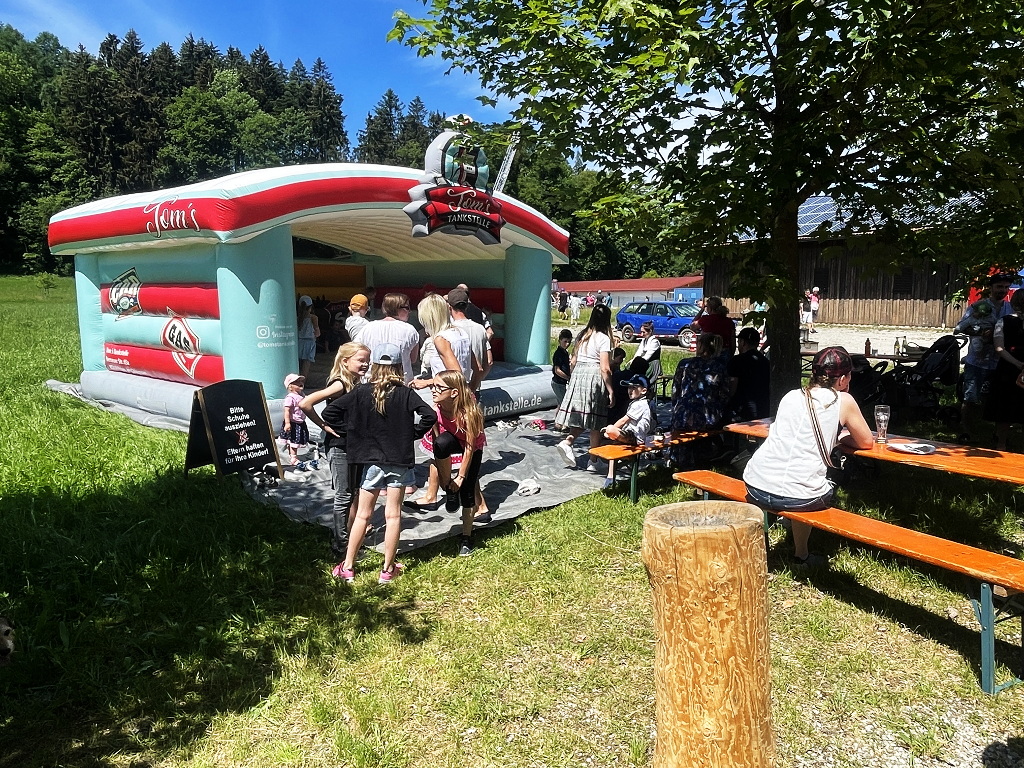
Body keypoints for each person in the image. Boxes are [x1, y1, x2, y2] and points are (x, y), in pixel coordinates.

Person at [742, 346, 874, 566]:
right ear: (842, 379)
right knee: (818, 482)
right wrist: (839, 439)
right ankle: (801, 555)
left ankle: (784, 522)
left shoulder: (791, 395)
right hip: (799, 497)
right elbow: (866, 442)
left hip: (756, 485)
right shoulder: (843, 400)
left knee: (798, 475)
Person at [322, 343, 436, 585]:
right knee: (393, 515)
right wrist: (412, 434)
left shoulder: (361, 392)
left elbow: (329, 413)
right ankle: (387, 569)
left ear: (374, 366)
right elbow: (430, 415)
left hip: (371, 462)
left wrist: (354, 433)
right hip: (399, 461)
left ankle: (348, 567)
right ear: (399, 368)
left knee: (363, 515)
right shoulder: (406, 393)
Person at [299, 342, 371, 564]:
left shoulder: (355, 382)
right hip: (340, 447)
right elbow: (306, 403)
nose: (366, 364)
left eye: (367, 360)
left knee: (353, 492)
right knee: (343, 495)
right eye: (361, 360)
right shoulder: (340, 384)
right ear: (345, 361)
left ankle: (350, 537)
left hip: (354, 445)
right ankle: (340, 545)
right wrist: (323, 425)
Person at [428, 370, 487, 556]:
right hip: (453, 438)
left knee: (468, 490)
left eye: (439, 387)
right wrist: (445, 479)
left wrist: (460, 476)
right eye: (433, 386)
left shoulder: (468, 413)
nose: (434, 390)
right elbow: (437, 438)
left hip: (472, 446)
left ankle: (466, 537)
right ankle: (450, 490)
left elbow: (469, 448)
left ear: (454, 392)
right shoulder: (437, 408)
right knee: (440, 444)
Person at [554, 303, 616, 470]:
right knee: (596, 421)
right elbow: (605, 368)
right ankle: (592, 461)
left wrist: (574, 378)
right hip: (594, 377)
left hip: (579, 375)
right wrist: (611, 390)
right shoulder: (603, 339)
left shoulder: (582, 335)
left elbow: (573, 361)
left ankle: (570, 443)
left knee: (583, 417)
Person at [956, 273, 1014, 441]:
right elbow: (962, 327)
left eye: (1006, 287)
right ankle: (966, 430)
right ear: (991, 288)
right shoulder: (978, 306)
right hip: (977, 360)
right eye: (999, 287)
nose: (1003, 290)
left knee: (997, 399)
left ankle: (996, 434)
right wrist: (981, 333)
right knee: (970, 397)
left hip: (1000, 361)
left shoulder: (1010, 308)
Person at [410, 293, 475, 389]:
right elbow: (477, 367)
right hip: (462, 391)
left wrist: (428, 382)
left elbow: (456, 375)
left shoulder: (441, 339)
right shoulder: (461, 332)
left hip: (447, 392)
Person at [670, 333, 730, 436]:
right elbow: (724, 395)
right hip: (708, 417)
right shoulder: (719, 367)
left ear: (701, 345)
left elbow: (675, 390)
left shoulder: (685, 364)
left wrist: (677, 408)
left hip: (683, 415)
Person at [354, 292, 420, 384]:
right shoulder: (410, 330)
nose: (409, 311)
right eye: (407, 308)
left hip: (372, 380)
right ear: (396, 308)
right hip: (400, 382)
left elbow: (355, 351)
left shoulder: (368, 327)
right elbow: (413, 359)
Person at [600, 374, 653, 489]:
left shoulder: (640, 404)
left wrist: (610, 431)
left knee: (610, 429)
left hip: (635, 438)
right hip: (631, 436)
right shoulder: (636, 402)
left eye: (634, 387)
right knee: (613, 447)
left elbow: (624, 420)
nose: (630, 390)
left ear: (644, 391)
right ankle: (610, 477)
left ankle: (610, 477)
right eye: (629, 387)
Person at [987, 289, 1024, 451]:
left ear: (1013, 303)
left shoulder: (1003, 321)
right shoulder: (1004, 321)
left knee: (1004, 410)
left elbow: (999, 348)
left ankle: (1000, 444)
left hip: (1008, 369)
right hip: (1011, 370)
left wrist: (1017, 363)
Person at [448, 287, 491, 391]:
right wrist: (475, 384)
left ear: (449, 307)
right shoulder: (480, 329)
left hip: (454, 390)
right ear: (467, 306)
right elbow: (489, 362)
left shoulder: (449, 330)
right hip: (475, 388)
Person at [727, 327, 771, 422]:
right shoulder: (766, 362)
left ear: (743, 342)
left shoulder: (736, 361)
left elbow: (732, 389)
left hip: (741, 411)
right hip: (763, 410)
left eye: (738, 341)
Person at [630, 320, 663, 401]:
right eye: (641, 332)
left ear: (650, 331)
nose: (642, 334)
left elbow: (647, 356)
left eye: (643, 332)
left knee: (643, 375)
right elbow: (639, 352)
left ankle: (644, 392)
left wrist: (637, 363)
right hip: (644, 364)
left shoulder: (654, 341)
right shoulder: (644, 341)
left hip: (652, 365)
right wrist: (632, 361)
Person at [282, 373, 310, 467]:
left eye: (300, 381)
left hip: (300, 422)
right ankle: (293, 457)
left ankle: (291, 453)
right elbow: (287, 411)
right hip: (293, 423)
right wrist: (287, 423)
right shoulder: (290, 397)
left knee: (295, 439)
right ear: (290, 387)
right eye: (296, 382)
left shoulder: (302, 395)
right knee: (294, 441)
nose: (300, 383)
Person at [296, 295, 320, 379]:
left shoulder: (297, 318)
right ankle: (302, 382)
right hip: (309, 342)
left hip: (298, 341)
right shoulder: (314, 317)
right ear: (311, 307)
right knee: (306, 363)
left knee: (298, 363)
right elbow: (317, 333)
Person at [552, 328, 573, 403]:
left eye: (569, 342)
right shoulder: (558, 354)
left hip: (562, 383)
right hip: (558, 383)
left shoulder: (565, 353)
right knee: (564, 403)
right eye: (565, 341)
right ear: (559, 341)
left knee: (560, 404)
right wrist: (568, 378)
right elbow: (557, 370)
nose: (567, 344)